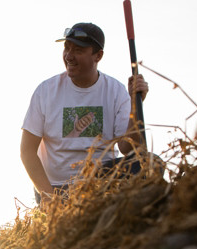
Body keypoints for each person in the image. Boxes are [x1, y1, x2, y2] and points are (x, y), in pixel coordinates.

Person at [20, 22, 150, 203]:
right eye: (67, 48)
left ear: (98, 55)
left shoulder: (116, 91)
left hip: (102, 182)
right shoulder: (46, 91)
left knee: (150, 164)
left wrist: (136, 106)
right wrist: (47, 196)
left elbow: (128, 147)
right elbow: (26, 151)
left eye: (78, 50)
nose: (69, 56)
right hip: (57, 188)